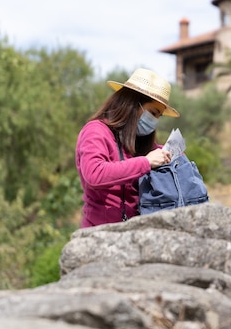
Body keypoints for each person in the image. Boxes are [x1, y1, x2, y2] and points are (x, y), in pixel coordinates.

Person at [75, 68, 180, 228]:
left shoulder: (141, 141)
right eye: (153, 112)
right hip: (98, 234)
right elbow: (94, 174)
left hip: (133, 235)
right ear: (131, 103)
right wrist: (145, 162)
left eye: (159, 115)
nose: (155, 121)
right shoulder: (95, 131)